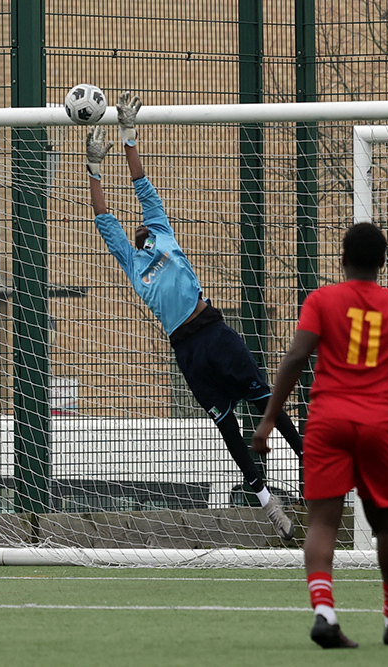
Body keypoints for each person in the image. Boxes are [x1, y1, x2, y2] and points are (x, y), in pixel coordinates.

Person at [85, 91, 305, 544]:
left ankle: (310, 460)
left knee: (265, 401)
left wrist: (128, 135)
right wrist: (93, 168)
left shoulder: (162, 231)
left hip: (214, 333)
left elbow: (141, 184)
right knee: (227, 428)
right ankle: (269, 505)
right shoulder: (131, 260)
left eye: (144, 222)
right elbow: (104, 217)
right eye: (135, 227)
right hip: (186, 352)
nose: (139, 225)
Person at [252, 222, 388, 648]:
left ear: (342, 260)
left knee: (322, 521)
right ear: (383, 263)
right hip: (378, 426)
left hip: (327, 423)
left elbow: (296, 356)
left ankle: (324, 612)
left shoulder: (321, 300)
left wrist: (269, 420)